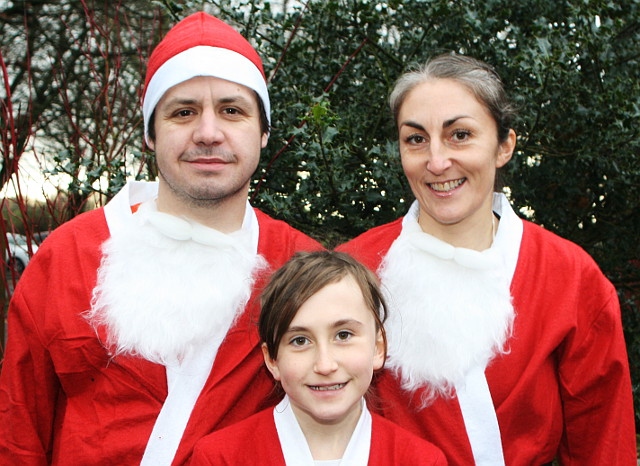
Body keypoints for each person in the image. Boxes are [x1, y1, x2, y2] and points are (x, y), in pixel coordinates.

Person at [0, 11, 322, 466]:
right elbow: (17, 432)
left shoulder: (304, 268)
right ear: (150, 134)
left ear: (264, 131)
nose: (208, 133)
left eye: (232, 111)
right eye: (183, 112)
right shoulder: (68, 256)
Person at [337, 53, 636, 465]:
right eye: (416, 139)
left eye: (460, 135)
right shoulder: (350, 270)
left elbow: (602, 442)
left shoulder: (569, 275)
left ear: (504, 145)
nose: (437, 161)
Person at [190, 250, 448, 465]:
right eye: (300, 341)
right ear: (272, 360)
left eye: (344, 335)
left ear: (378, 347)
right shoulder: (221, 458)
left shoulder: (420, 460)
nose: (325, 365)